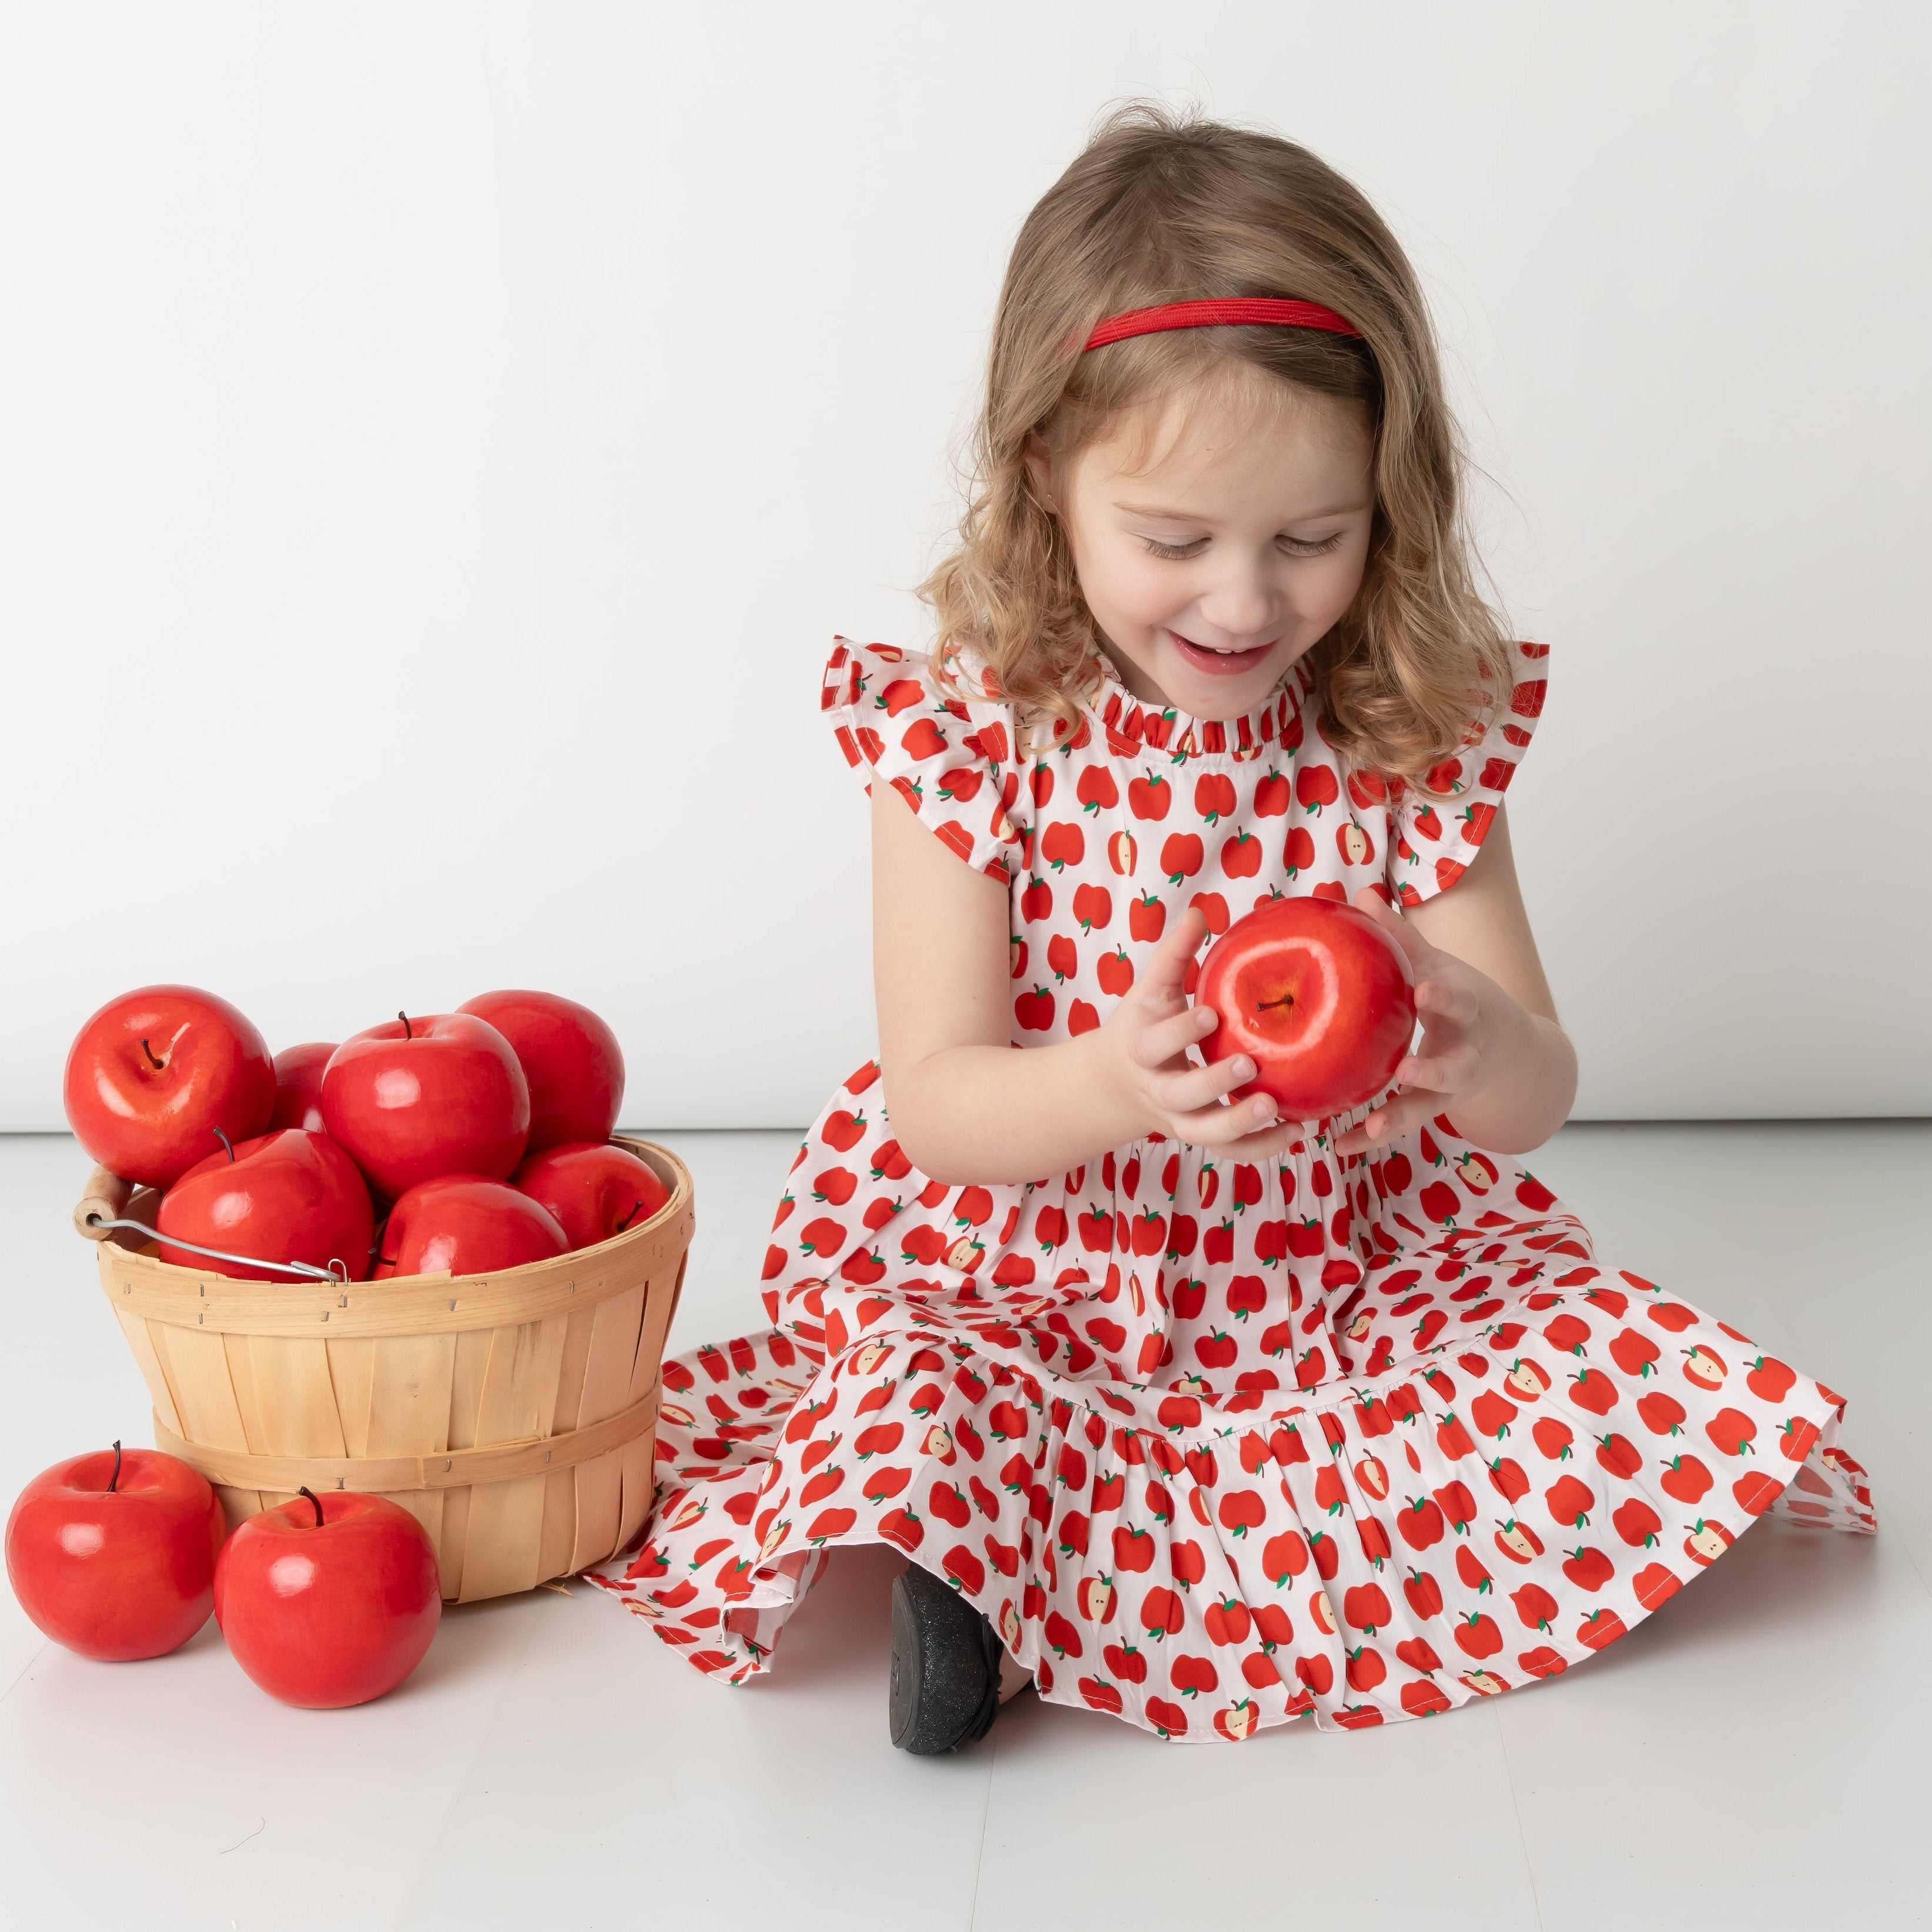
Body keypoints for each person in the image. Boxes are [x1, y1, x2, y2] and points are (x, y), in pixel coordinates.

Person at [583, 102, 1875, 1749]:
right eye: (1175, 540)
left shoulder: (1407, 729)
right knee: (938, 1394)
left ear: (1384, 499)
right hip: (1041, 1266)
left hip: (1338, 1271)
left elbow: (1541, 1100)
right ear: (1046, 468)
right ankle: (965, 1571)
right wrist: (1114, 1087)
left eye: (1312, 540)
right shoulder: (971, 734)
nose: (1247, 601)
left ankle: (1388, 1540)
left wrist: (1474, 1040)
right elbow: (940, 1105)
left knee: (1586, 1351)